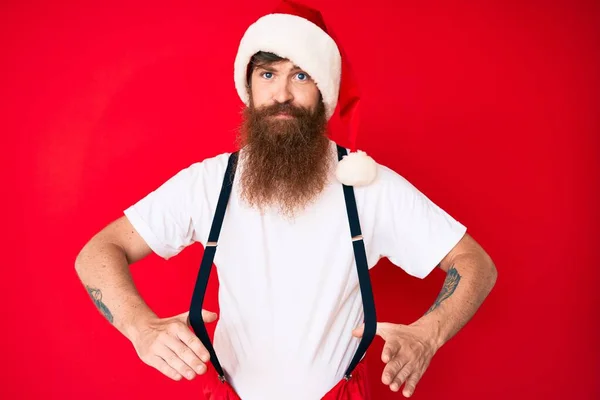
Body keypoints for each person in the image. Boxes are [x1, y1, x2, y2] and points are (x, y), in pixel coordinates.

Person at [74, 1, 497, 399]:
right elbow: (97, 252)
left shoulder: (366, 185)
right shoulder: (209, 183)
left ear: (323, 91)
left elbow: (475, 263)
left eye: (300, 76)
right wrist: (140, 327)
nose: (281, 95)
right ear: (249, 86)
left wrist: (429, 334)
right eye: (268, 74)